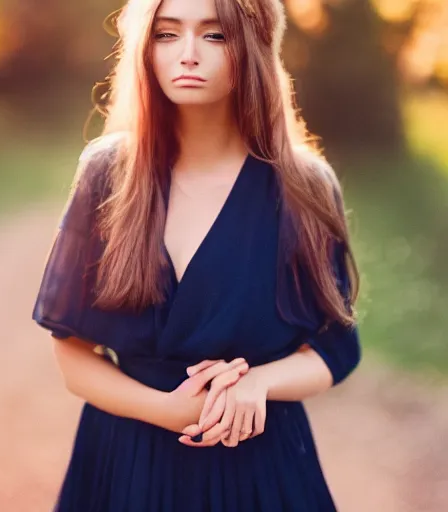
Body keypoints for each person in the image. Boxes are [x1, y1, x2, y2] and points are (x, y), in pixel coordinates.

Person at [31, 0, 362, 510]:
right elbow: (72, 354)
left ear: (252, 47)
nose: (188, 54)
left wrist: (259, 383)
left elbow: (337, 348)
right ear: (145, 48)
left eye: (215, 36)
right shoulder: (106, 173)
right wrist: (166, 411)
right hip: (126, 461)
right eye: (167, 35)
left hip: (259, 465)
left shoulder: (306, 187)